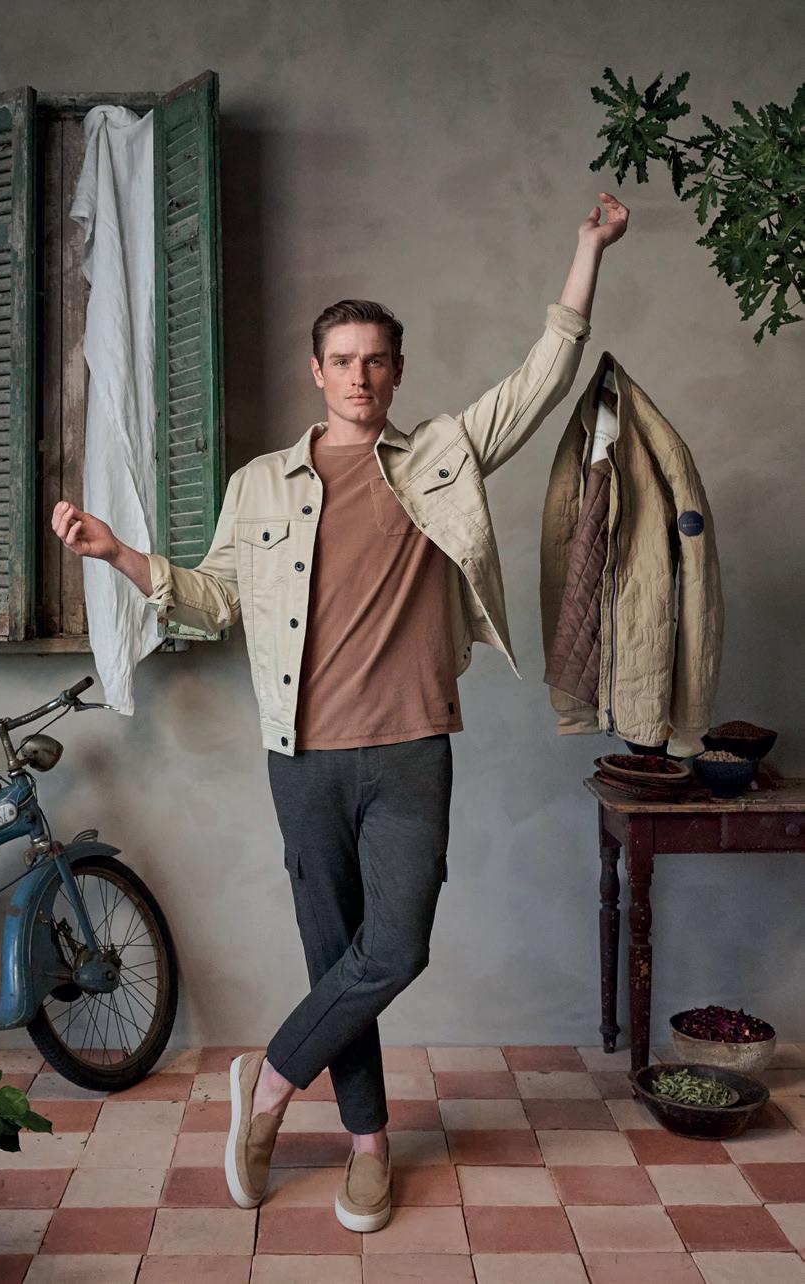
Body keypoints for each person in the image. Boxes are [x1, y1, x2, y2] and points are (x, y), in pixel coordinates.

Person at [52, 191, 629, 1232]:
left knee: (393, 951)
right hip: (305, 757)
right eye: (343, 360)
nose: (360, 376)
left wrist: (587, 250)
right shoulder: (261, 486)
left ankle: (270, 1084)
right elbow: (216, 600)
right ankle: (369, 1147)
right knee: (336, 959)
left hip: (410, 749)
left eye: (376, 361)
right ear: (315, 372)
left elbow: (543, 376)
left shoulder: (442, 454)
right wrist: (121, 556)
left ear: (397, 373)